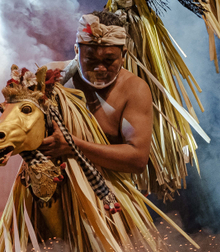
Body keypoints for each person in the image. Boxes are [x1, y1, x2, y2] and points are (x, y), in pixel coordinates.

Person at [40, 11, 152, 175]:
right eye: (91, 60)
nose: (100, 69)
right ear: (77, 52)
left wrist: (72, 145)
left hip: (108, 192)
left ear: (123, 56)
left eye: (109, 60)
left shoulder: (134, 90)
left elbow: (138, 160)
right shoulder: (51, 78)